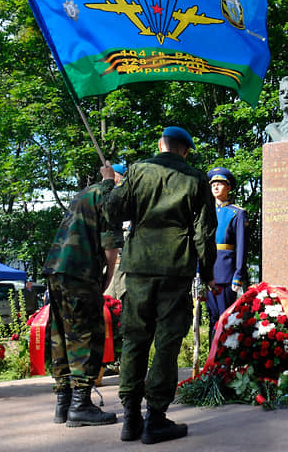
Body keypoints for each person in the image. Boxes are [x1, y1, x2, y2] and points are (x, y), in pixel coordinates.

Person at [100, 126, 217, 444]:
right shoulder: (195, 177)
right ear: (185, 150)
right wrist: (207, 273)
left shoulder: (138, 170)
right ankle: (156, 418)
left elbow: (112, 210)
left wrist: (111, 182)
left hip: (138, 265)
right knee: (167, 342)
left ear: (160, 145)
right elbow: (204, 230)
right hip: (176, 266)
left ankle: (131, 418)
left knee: (135, 340)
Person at [41, 172, 123, 427]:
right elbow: (110, 246)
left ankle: (63, 403)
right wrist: (108, 277)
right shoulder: (110, 196)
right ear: (119, 180)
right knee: (86, 334)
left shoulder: (83, 195)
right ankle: (80, 406)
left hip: (56, 268)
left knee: (61, 335)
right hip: (81, 271)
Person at [205, 167, 247, 343]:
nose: (215, 187)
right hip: (209, 274)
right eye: (213, 184)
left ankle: (225, 359)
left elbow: (241, 247)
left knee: (226, 319)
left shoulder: (237, 213)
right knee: (212, 318)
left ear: (228, 188)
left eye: (220, 184)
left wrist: (238, 274)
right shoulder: (205, 212)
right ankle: (212, 360)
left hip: (226, 274)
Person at [104, 164, 130, 300]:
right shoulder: (104, 202)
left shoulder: (129, 201)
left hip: (125, 265)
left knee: (123, 302)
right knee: (106, 305)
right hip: (108, 263)